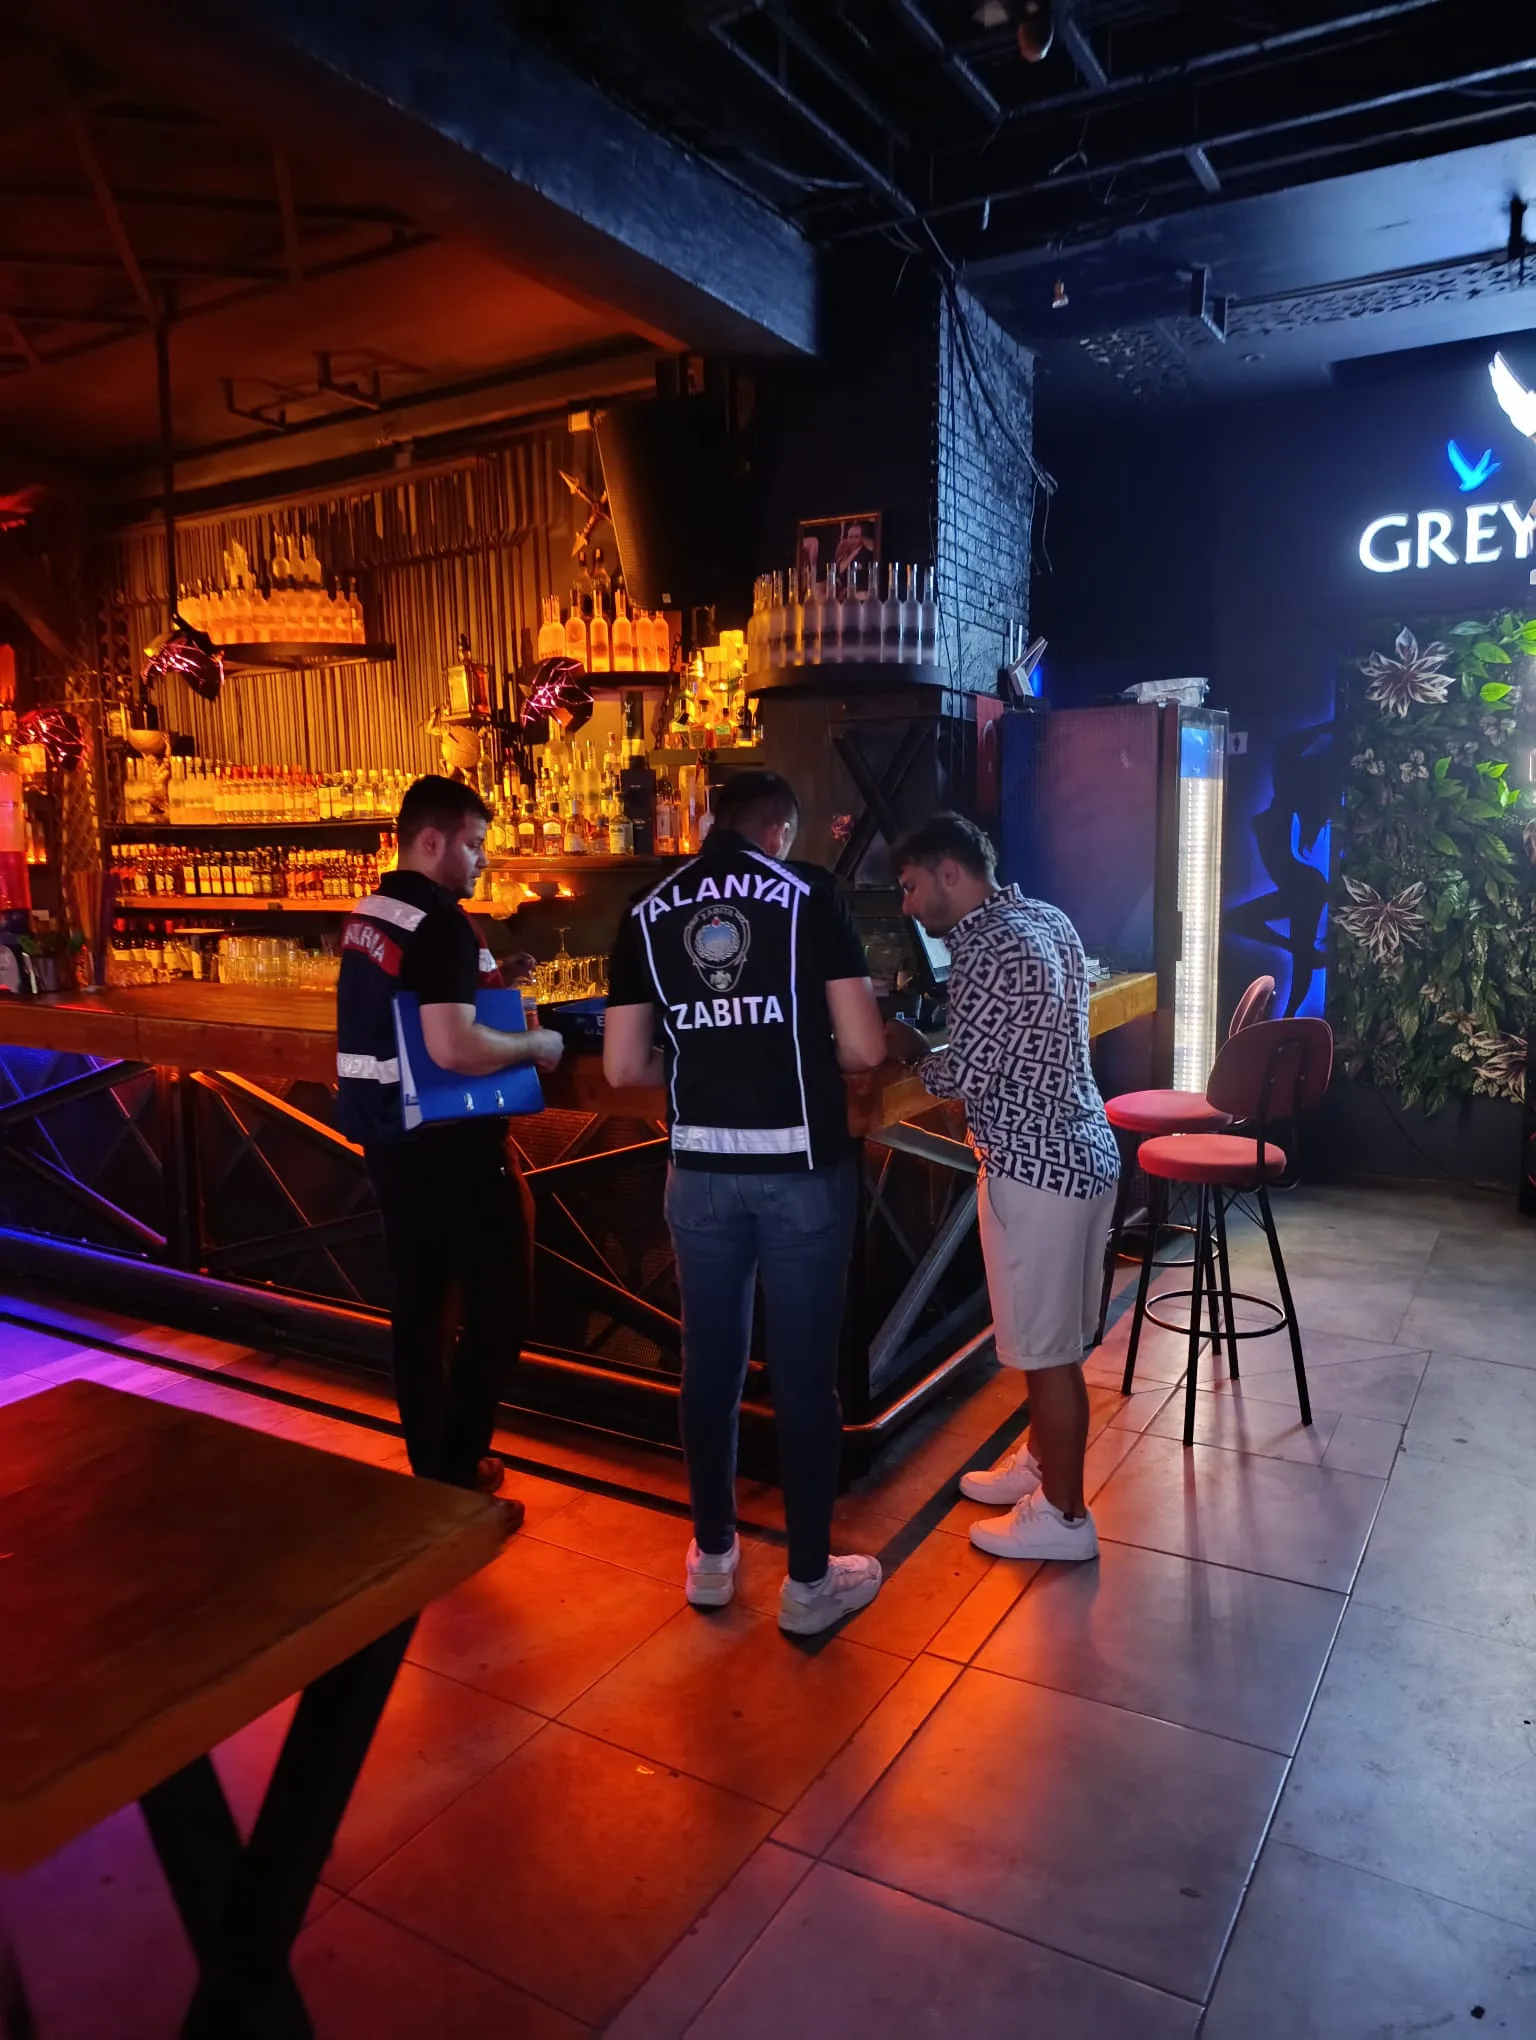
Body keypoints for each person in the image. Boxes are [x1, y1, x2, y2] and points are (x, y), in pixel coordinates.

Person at [603, 769, 889, 1635]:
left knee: (710, 1367)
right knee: (803, 1380)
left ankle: (715, 1558)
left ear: (709, 822)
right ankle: (808, 1585)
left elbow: (622, 1067)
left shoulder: (647, 910)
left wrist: (699, 1062)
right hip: (801, 1167)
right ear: (780, 831)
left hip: (698, 1169)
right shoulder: (810, 894)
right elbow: (864, 1048)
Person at [886, 813, 1118, 1563]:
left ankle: (1064, 1516)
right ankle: (1042, 1465)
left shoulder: (983, 945)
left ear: (949, 872)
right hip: (1085, 1153)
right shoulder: (1047, 917)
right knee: (1060, 1343)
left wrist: (912, 1052)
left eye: (911, 886)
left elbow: (967, 1072)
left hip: (1033, 1171)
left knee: (1048, 1354)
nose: (908, 906)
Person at [335, 775, 562, 1514]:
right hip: (450, 1143)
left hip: (386, 1136)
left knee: (419, 1306)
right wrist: (537, 1044)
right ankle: (458, 1472)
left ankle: (431, 1469)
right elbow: (455, 1047)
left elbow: (410, 1001)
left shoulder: (373, 911)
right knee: (501, 1308)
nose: (482, 860)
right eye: (474, 844)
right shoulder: (440, 923)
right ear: (431, 840)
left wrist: (492, 976)